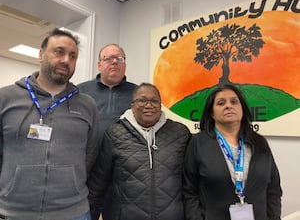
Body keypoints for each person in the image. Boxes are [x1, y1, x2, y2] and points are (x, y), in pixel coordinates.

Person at [0, 28, 101, 220]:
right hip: (14, 212)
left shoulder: (87, 105)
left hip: (73, 212)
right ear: (41, 54)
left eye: (73, 56)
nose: (66, 60)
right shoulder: (5, 98)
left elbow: (91, 154)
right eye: (59, 51)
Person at [88, 83, 191, 220]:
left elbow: (191, 185)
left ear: (160, 105)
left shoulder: (180, 134)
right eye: (142, 100)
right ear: (132, 105)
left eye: (154, 101)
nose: (148, 105)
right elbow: (98, 183)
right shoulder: (114, 133)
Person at [182, 84, 282, 220]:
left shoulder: (259, 142)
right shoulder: (198, 143)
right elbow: (189, 191)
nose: (228, 106)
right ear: (211, 113)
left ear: (242, 108)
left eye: (234, 101)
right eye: (221, 103)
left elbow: (273, 189)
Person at [78, 44, 137, 220]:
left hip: (123, 173)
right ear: (99, 64)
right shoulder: (80, 91)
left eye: (119, 59)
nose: (114, 62)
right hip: (88, 172)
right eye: (108, 58)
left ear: (125, 64)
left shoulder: (138, 92)